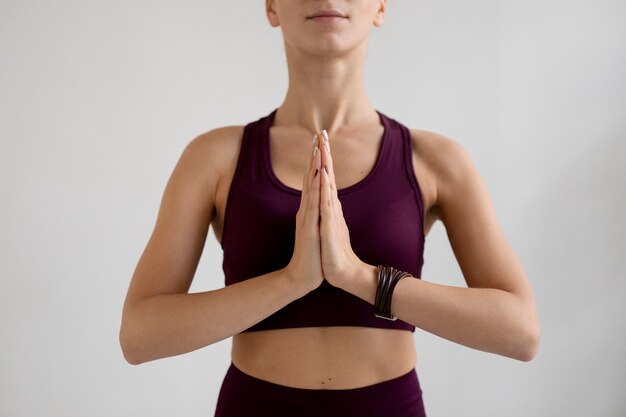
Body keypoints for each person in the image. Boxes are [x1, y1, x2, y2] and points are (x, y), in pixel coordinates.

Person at [119, 1, 541, 416]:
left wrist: (361, 278)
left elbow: (520, 331)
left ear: (379, 7)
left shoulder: (436, 161)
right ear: (271, 8)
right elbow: (140, 335)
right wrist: (290, 281)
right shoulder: (213, 158)